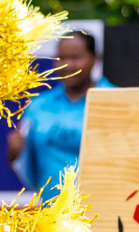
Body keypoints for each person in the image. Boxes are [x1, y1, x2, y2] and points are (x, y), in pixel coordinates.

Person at [9, 29, 112, 196]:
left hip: (101, 211)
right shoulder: (38, 106)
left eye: (75, 58)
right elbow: (23, 167)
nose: (67, 65)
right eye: (61, 58)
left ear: (95, 58)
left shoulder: (114, 101)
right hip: (51, 213)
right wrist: (14, 151)